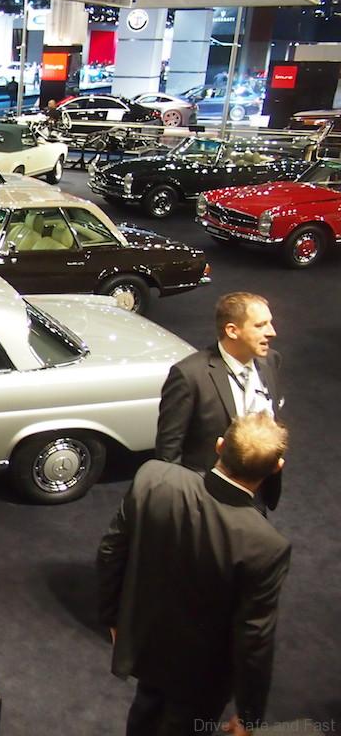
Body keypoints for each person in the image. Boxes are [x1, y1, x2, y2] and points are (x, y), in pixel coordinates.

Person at [97, 413, 291, 736]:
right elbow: (254, 636)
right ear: (276, 468)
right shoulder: (266, 546)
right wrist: (249, 714)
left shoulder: (154, 479)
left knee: (143, 716)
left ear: (220, 446)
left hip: (148, 642)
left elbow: (110, 552)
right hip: (203, 677)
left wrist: (112, 619)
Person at [155, 292, 284, 511]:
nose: (272, 332)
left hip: (256, 495)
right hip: (207, 500)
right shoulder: (189, 375)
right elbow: (168, 452)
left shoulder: (271, 361)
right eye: (260, 325)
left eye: (269, 323)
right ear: (232, 330)